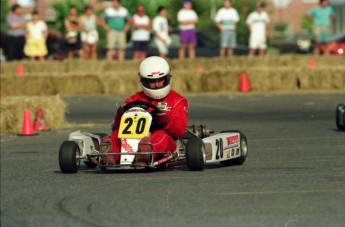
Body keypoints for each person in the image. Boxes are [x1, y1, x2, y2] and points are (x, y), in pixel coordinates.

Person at [103, 56, 188, 165]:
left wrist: (166, 122)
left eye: (160, 80)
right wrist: (120, 117)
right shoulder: (132, 100)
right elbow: (118, 127)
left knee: (160, 135)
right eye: (152, 81)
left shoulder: (178, 100)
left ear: (167, 77)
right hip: (133, 137)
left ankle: (146, 153)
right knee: (116, 134)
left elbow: (180, 130)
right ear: (143, 80)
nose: (157, 84)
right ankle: (110, 155)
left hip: (165, 139)